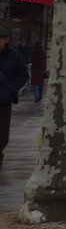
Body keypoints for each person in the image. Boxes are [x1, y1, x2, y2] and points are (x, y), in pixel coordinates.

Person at [0, 28, 30, 168]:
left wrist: (11, 89)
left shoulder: (14, 55)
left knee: (2, 133)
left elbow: (23, 74)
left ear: (6, 40)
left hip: (4, 100)